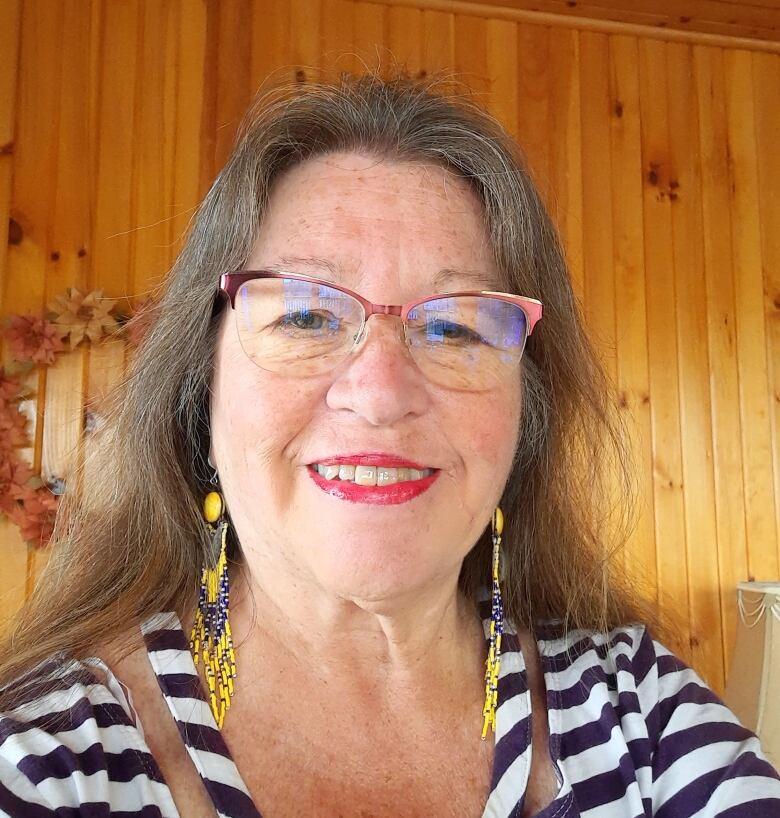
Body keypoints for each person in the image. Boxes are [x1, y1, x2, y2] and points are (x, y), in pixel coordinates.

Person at [0, 74, 778, 818]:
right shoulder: (45, 768)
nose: (379, 393)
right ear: (203, 382)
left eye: (453, 326)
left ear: (525, 410)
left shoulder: (639, 713)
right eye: (305, 316)